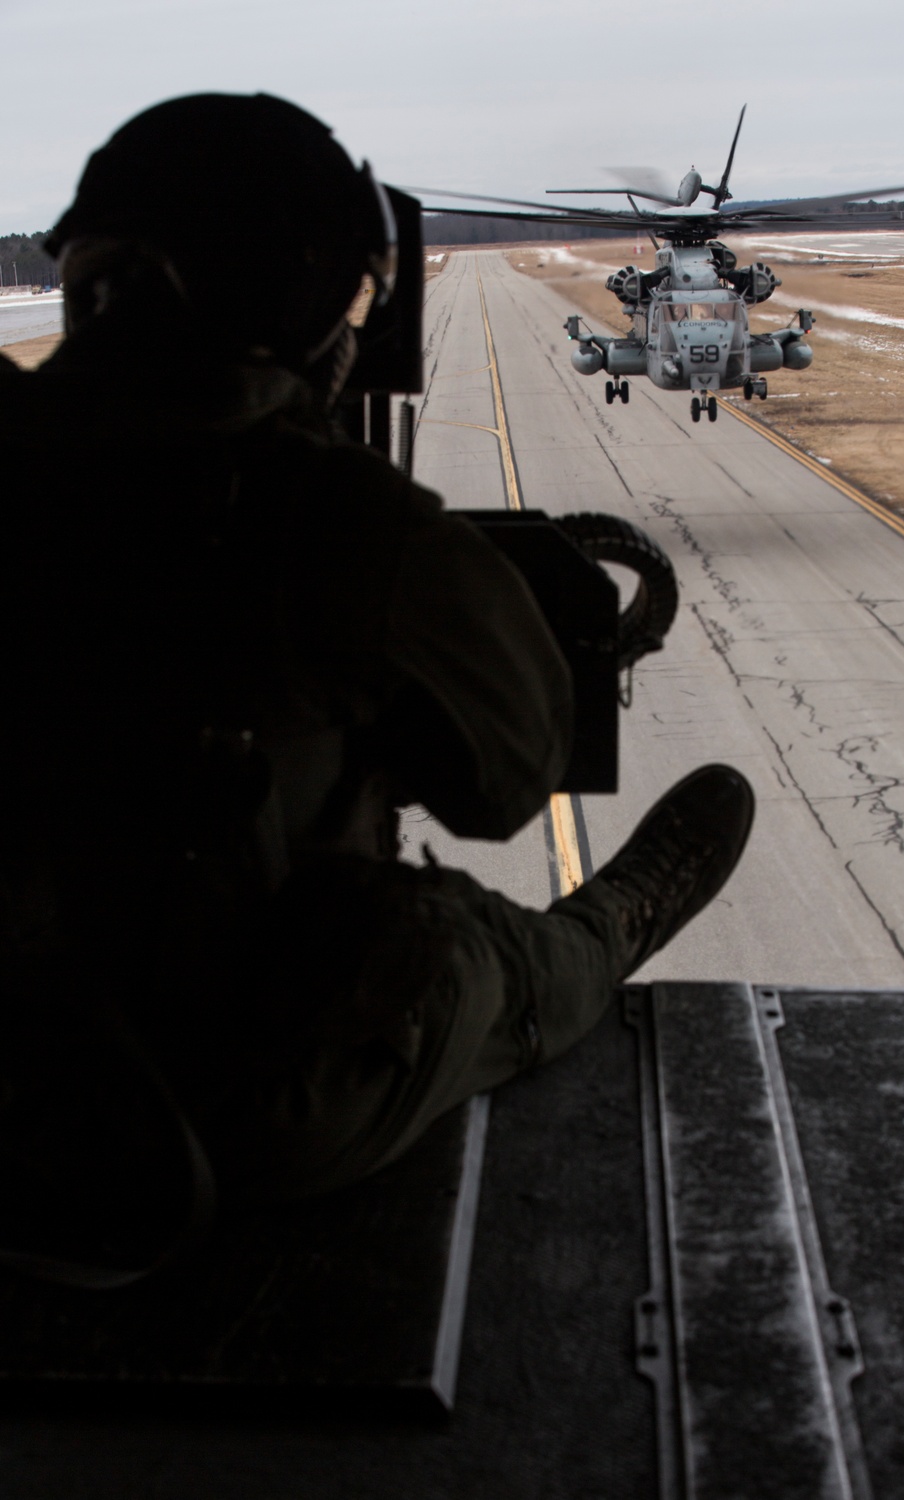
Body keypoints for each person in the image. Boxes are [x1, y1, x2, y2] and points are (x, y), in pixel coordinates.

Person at [0, 94, 754, 1212]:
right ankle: (610, 928)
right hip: (180, 1130)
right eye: (347, 295)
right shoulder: (334, 522)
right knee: (450, 951)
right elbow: (504, 783)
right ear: (297, 298)